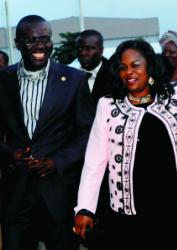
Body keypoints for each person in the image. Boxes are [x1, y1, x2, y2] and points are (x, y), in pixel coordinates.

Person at [74, 40, 177, 249]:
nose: (129, 72)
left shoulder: (175, 96)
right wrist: (85, 208)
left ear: (149, 66)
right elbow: (94, 161)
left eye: (135, 65)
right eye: (123, 67)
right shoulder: (107, 105)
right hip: (131, 212)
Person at [0, 15, 95, 250]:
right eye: (31, 40)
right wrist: (9, 154)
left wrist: (57, 162)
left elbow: (87, 133)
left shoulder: (74, 79)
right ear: (17, 43)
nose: (40, 46)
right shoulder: (2, 80)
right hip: (15, 196)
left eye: (45, 39)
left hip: (59, 194)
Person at [76, 29, 113, 105]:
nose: (83, 53)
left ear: (101, 50)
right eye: (79, 48)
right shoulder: (70, 78)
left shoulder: (113, 78)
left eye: (89, 48)